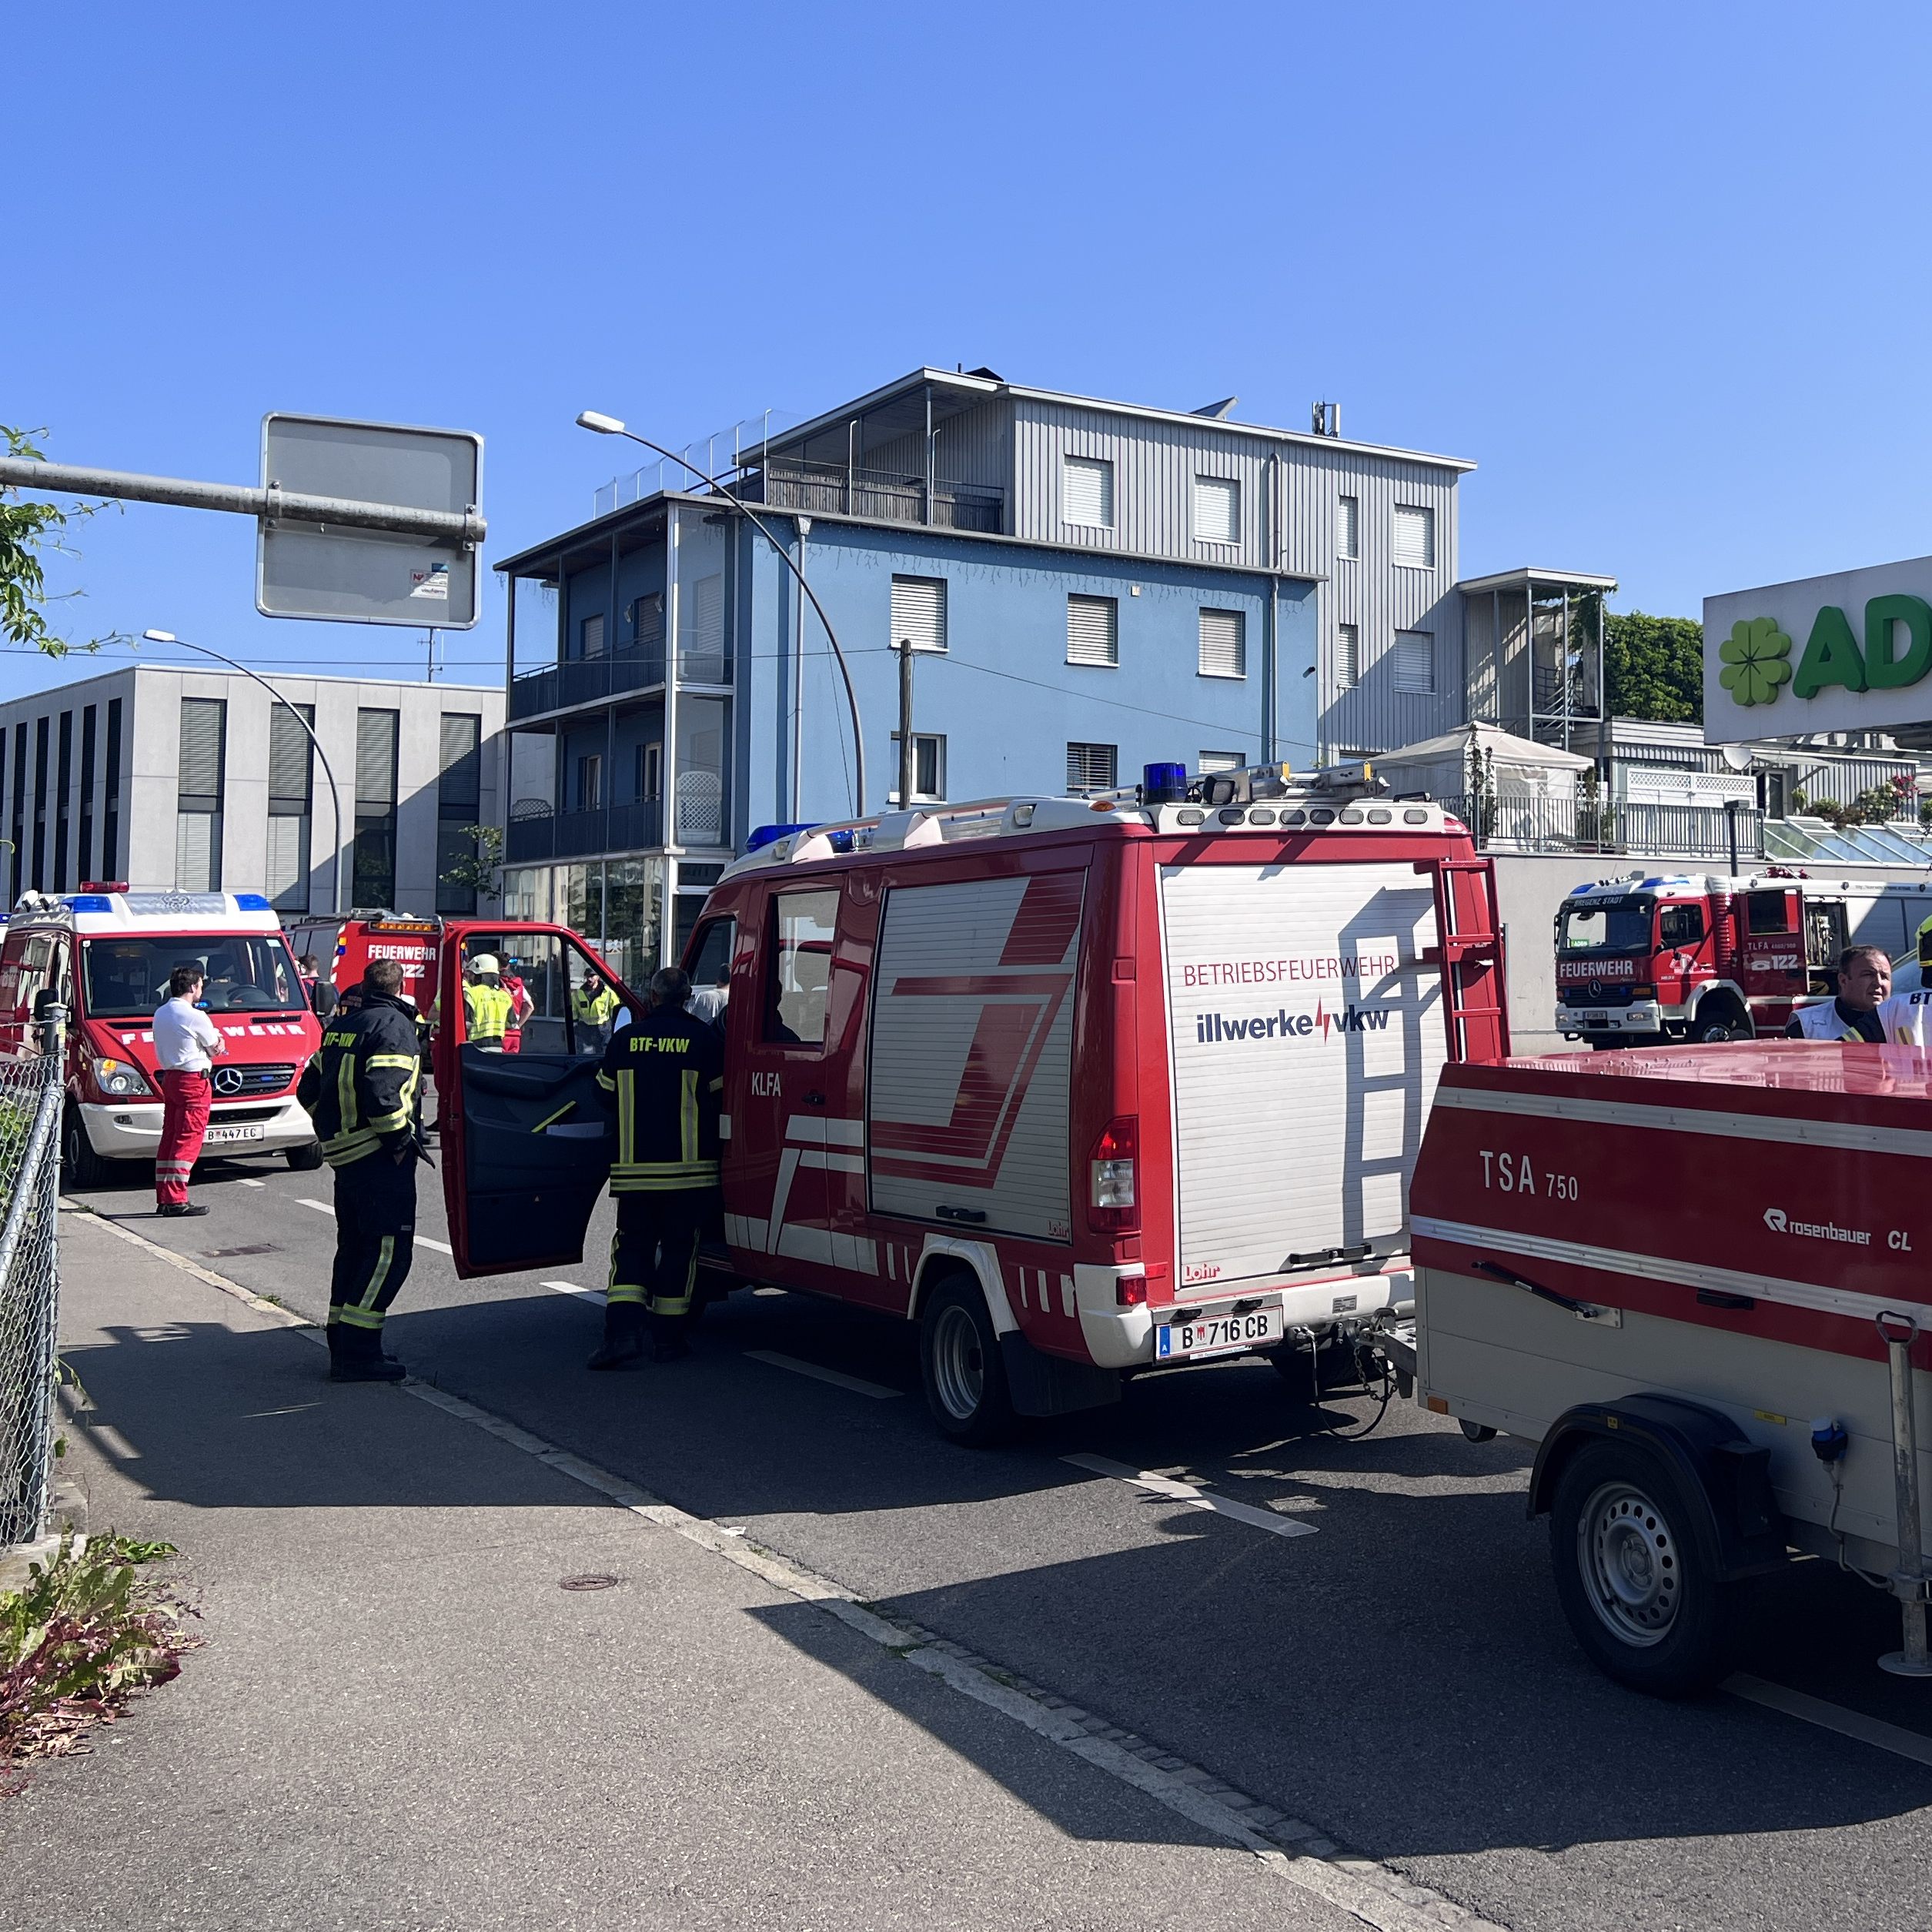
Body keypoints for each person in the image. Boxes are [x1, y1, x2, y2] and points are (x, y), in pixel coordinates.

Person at [586, 965, 724, 1370]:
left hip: (636, 1172)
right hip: (689, 1173)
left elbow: (603, 1095)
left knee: (632, 1250)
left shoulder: (626, 1039)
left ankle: (624, 1335)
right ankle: (669, 1341)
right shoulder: (703, 1039)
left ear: (652, 997)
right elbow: (720, 1099)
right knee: (680, 1252)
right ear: (687, 998)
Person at [297, 958, 425, 1384]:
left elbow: (307, 1089)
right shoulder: (393, 1026)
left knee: (354, 1248)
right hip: (376, 1158)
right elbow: (383, 1094)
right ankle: (359, 1352)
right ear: (400, 986)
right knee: (389, 1252)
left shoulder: (342, 1026)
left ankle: (341, 1341)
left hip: (345, 1157)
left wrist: (331, 1131)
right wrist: (399, 1143)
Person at [152, 963, 229, 1217]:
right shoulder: (195, 1016)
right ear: (193, 987)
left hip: (172, 1078)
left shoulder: (161, 1013)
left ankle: (164, 1196)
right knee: (188, 1137)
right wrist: (219, 1043)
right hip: (194, 1080)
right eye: (201, 987)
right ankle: (176, 1199)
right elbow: (215, 1047)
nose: (202, 991)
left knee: (171, 1137)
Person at [1787, 944, 1893, 1041]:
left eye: (1884, 976)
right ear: (1843, 980)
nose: (1878, 982)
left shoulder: (1903, 1022)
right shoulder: (1806, 1025)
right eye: (1868, 975)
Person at [462, 954, 513, 1051]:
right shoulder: (505, 996)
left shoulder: (471, 994)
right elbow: (512, 1024)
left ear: (479, 975)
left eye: (472, 975)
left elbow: (466, 1024)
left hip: (476, 1048)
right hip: (498, 1047)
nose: (470, 978)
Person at [571, 968, 620, 1046]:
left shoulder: (607, 992)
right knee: (585, 1056)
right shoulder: (578, 993)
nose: (589, 978)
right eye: (587, 976)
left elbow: (617, 1009)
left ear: (598, 977)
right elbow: (574, 1011)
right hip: (585, 1028)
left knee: (602, 1053)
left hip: (603, 1028)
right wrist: (575, 1024)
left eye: (592, 976)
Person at [499, 957, 534, 1055]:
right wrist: (518, 1025)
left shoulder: (497, 984)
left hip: (501, 1032)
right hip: (515, 1034)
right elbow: (530, 1007)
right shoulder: (518, 985)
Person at [297, 954, 337, 1021]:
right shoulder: (331, 986)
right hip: (328, 1022)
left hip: (310, 1020)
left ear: (303, 967)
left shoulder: (304, 985)